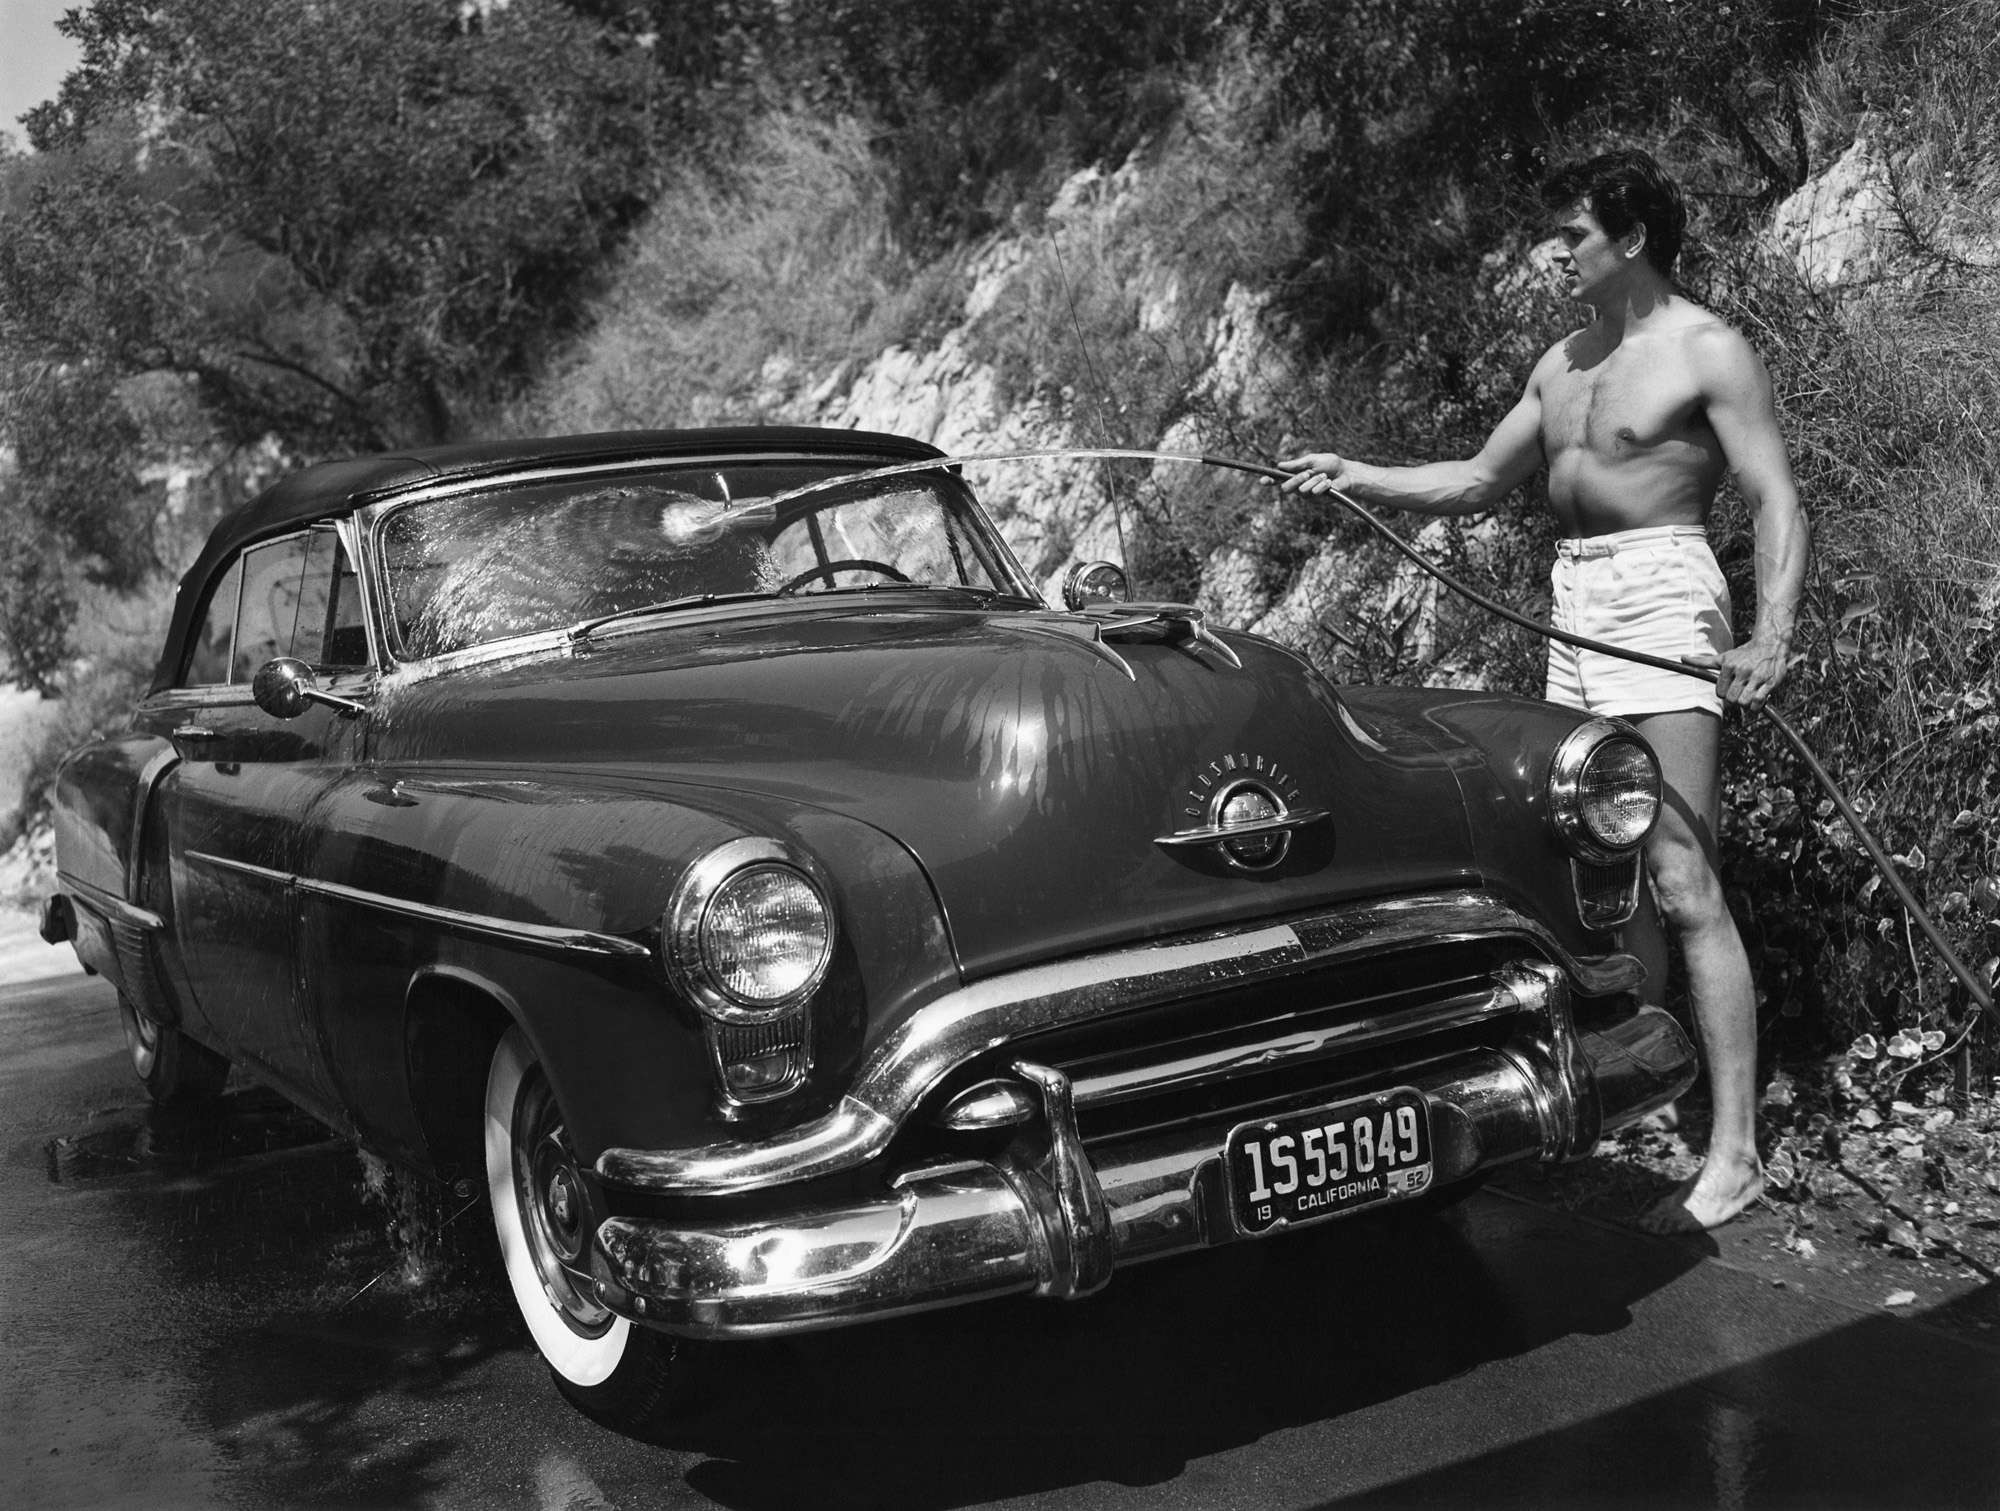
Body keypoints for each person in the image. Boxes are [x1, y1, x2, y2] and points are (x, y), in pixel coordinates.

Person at [1278, 148, 1809, 1231]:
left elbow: (1773, 498)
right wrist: (1354, 471)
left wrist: (1769, 633)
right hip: (1573, 603)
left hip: (1662, 593)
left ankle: (1736, 1149)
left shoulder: (1704, 349)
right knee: (1598, 870)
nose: (1551, 251)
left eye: (1570, 233)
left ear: (1631, 240)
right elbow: (1476, 481)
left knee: (1679, 872)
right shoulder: (1560, 361)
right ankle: (1639, 1097)